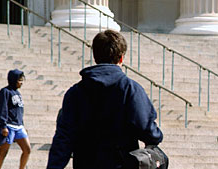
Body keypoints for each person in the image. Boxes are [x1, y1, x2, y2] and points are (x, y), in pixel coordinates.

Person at [47, 30, 163, 168]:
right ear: (121, 58)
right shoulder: (130, 89)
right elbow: (149, 132)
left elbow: (63, 140)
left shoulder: (75, 93)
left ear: (95, 56)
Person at [0, 69, 31, 169]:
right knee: (3, 152)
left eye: (22, 80)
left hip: (19, 126)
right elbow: (2, 109)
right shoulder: (5, 91)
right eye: (20, 80)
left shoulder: (18, 93)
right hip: (9, 126)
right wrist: (3, 126)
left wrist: (22, 124)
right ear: (13, 80)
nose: (21, 83)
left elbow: (19, 111)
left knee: (27, 150)